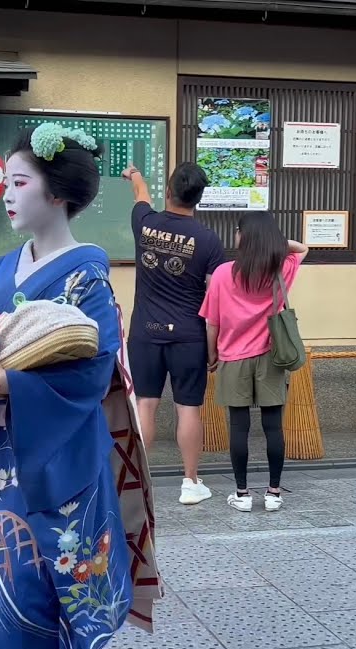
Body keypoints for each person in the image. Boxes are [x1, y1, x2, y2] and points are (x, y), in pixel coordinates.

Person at [0, 123, 161, 649]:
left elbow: (92, 374)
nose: (6, 195)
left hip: (58, 456)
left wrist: (13, 381)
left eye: (18, 182)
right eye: (6, 184)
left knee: (44, 581)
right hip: (0, 457)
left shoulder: (88, 274)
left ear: (56, 193)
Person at [121, 161, 226, 506]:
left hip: (145, 333)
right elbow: (214, 298)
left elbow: (140, 193)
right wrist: (215, 348)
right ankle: (190, 482)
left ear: (169, 191)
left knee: (146, 406)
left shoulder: (145, 223)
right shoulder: (209, 241)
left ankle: (135, 482)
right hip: (189, 336)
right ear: (199, 198)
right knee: (188, 409)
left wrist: (134, 174)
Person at [199, 211, 309, 512]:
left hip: (233, 358)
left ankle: (243, 494)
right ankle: (273, 493)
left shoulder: (223, 273)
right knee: (273, 426)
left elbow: (212, 323)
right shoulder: (281, 268)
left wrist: (212, 355)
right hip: (271, 357)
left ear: (242, 236)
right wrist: (271, 243)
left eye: (238, 231)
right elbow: (302, 248)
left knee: (239, 426)